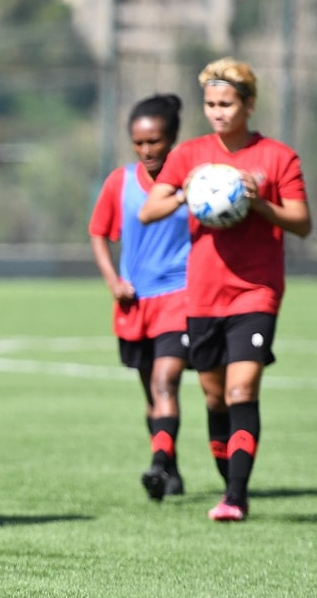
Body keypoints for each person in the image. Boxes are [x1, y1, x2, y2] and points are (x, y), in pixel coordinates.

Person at [139, 57, 311, 522]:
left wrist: (259, 203)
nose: (217, 112)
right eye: (211, 104)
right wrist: (185, 191)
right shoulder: (191, 154)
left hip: (256, 291)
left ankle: (236, 495)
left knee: (241, 390)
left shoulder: (278, 157)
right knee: (214, 396)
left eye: (227, 103)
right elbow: (149, 210)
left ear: (249, 105)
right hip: (204, 294)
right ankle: (228, 473)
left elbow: (302, 222)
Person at [88, 93, 189, 501]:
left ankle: (158, 467)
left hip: (180, 297)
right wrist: (113, 280)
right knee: (152, 392)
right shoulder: (121, 181)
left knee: (166, 382)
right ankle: (171, 464)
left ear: (172, 139)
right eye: (139, 142)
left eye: (155, 141)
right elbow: (97, 232)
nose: (147, 150)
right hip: (134, 304)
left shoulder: (194, 182)